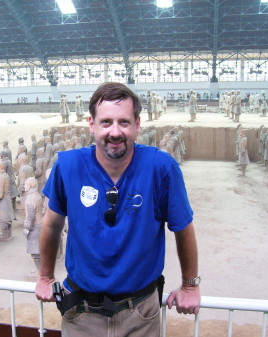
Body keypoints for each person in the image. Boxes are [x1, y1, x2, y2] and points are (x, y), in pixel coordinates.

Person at [35, 82, 200, 336]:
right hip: (81, 312)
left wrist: (190, 286)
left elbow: (183, 227)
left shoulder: (160, 168)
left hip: (140, 314)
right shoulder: (68, 166)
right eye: (106, 122)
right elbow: (51, 224)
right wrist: (45, 277)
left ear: (137, 124)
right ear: (91, 124)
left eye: (124, 122)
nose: (115, 132)